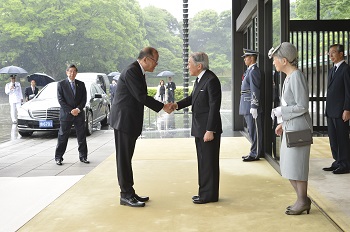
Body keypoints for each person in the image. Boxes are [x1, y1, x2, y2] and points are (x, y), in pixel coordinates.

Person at [109, 47, 172, 207]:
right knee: (123, 159)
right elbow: (141, 96)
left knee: (127, 158)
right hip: (123, 121)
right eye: (155, 61)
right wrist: (163, 107)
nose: (156, 65)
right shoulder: (132, 71)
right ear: (146, 59)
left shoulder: (138, 71)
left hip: (129, 120)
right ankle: (125, 195)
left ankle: (130, 192)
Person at [172, 52, 222, 204]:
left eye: (189, 64)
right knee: (203, 161)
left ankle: (209, 195)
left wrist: (210, 130)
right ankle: (204, 192)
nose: (187, 67)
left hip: (207, 129)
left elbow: (214, 106)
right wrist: (176, 105)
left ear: (199, 66)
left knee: (209, 162)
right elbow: (192, 98)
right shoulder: (201, 79)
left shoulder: (211, 80)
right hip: (200, 128)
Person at [270, 42, 312, 215]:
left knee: (297, 168)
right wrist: (282, 123)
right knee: (289, 167)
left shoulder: (296, 76)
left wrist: (281, 112)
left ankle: (302, 201)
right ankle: (302, 199)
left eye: (275, 60)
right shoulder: (289, 76)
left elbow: (303, 105)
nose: (274, 63)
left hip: (299, 129)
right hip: (291, 127)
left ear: (284, 60)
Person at [54, 64, 89, 165]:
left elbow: (84, 99)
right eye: (70, 71)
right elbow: (61, 100)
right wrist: (71, 111)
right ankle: (58, 157)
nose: (72, 73)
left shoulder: (81, 84)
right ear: (67, 72)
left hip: (79, 114)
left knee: (81, 136)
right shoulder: (61, 84)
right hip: (66, 115)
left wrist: (78, 109)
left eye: (74, 71)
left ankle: (83, 156)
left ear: (76, 73)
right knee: (62, 137)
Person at [323, 44, 350, 174]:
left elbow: (348, 91)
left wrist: (347, 109)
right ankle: (337, 161)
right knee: (333, 138)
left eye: (333, 52)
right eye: (329, 53)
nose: (331, 55)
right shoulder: (331, 70)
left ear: (341, 54)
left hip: (341, 111)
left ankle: (345, 163)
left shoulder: (346, 69)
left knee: (342, 138)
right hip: (331, 110)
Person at [239, 49, 263, 162]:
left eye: (246, 57)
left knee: (255, 130)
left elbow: (255, 89)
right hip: (246, 102)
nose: (244, 59)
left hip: (250, 104)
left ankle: (255, 153)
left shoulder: (254, 71)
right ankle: (253, 151)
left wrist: (254, 105)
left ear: (252, 58)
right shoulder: (249, 70)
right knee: (251, 129)